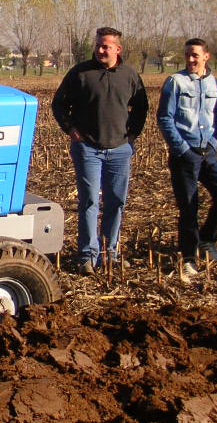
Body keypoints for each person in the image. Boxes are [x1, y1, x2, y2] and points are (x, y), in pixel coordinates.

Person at [52, 27, 148, 273]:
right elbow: (59, 104)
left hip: (119, 149)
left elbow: (141, 107)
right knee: (90, 201)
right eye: (98, 45)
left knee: (116, 201)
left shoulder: (129, 75)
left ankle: (110, 252)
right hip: (88, 149)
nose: (101, 50)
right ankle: (87, 255)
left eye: (106, 46)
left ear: (118, 49)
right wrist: (71, 129)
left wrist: (131, 137)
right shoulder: (80, 73)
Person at [157, 38, 217, 275]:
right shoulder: (175, 82)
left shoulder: (215, 84)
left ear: (206, 57)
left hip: (208, 153)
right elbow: (165, 118)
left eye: (195, 55)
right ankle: (189, 257)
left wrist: (214, 144)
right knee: (189, 206)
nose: (190, 59)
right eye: (187, 55)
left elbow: (215, 119)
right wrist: (181, 149)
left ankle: (207, 241)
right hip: (185, 154)